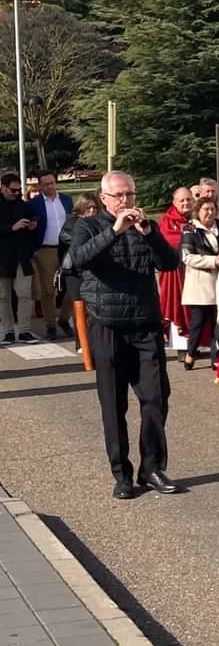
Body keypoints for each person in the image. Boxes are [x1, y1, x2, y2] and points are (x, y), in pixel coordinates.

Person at [69, 171, 181, 499]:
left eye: (129, 194)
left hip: (144, 323)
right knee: (113, 405)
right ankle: (122, 474)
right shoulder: (88, 226)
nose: (125, 201)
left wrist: (149, 234)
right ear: (104, 199)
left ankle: (152, 467)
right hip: (107, 325)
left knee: (156, 398)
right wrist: (115, 231)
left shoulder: (146, 226)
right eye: (118, 196)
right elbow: (79, 259)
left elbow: (170, 263)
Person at [181, 198, 219, 370]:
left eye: (213, 209)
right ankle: (191, 353)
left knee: (218, 321)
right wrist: (214, 260)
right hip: (199, 283)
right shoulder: (190, 229)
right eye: (206, 209)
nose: (210, 213)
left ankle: (216, 358)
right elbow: (187, 257)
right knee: (198, 323)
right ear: (198, 211)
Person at [28, 170, 74, 340]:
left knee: (73, 285)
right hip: (45, 249)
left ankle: (64, 318)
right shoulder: (34, 204)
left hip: (67, 248)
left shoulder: (67, 200)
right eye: (46, 184)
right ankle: (51, 326)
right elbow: (29, 226)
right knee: (48, 290)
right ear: (40, 186)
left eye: (52, 183)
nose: (50, 187)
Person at [57, 192, 99, 353]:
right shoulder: (72, 222)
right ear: (80, 208)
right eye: (88, 207)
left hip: (93, 269)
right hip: (73, 270)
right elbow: (65, 238)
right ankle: (80, 342)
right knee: (79, 306)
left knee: (92, 306)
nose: (92, 211)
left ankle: (93, 339)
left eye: (95, 207)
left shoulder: (100, 222)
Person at [0, 173, 38, 344]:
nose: (16, 194)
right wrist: (11, 227)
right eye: (13, 190)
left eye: (19, 190)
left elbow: (32, 219)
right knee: (3, 296)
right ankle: (7, 331)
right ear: (3, 187)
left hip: (22, 255)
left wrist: (32, 225)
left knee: (24, 293)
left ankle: (24, 330)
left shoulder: (23, 205)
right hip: (2, 256)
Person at [158, 186, 194, 347]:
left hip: (196, 270)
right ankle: (181, 345)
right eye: (182, 200)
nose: (186, 203)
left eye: (188, 199)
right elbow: (169, 240)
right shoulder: (167, 220)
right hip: (175, 270)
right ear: (174, 202)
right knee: (177, 304)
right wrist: (191, 239)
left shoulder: (197, 216)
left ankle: (198, 342)